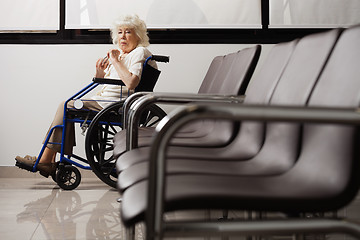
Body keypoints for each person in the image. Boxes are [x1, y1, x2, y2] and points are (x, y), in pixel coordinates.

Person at [15, 14, 157, 178]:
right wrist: (100, 73)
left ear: (138, 35)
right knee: (67, 106)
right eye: (119, 32)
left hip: (115, 104)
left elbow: (131, 83)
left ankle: (47, 160)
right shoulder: (121, 54)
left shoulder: (139, 52)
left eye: (128, 32)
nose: (122, 36)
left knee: (66, 105)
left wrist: (116, 62)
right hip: (106, 101)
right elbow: (112, 84)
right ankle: (49, 159)